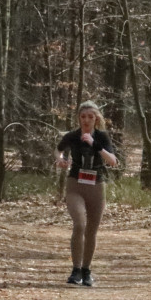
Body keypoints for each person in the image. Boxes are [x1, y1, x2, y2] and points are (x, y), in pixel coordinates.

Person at [54, 101, 118, 287]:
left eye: (91, 117)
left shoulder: (102, 137)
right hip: (75, 185)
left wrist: (95, 145)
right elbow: (58, 150)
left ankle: (86, 270)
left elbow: (113, 161)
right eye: (83, 117)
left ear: (96, 119)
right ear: (79, 118)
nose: (87, 120)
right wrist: (60, 160)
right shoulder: (73, 136)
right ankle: (75, 270)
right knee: (80, 224)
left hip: (97, 186)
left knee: (91, 230)